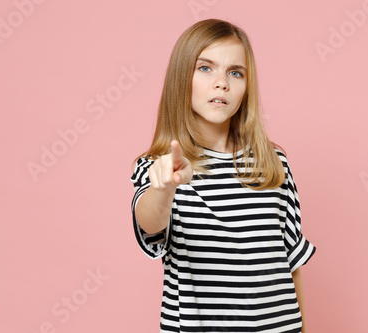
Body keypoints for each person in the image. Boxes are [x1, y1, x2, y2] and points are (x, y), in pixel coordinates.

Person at [130, 18, 316, 332]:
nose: (222, 83)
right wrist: (163, 188)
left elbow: (291, 266)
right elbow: (149, 222)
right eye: (205, 68)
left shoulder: (274, 163)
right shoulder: (161, 166)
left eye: (235, 72)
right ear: (182, 77)